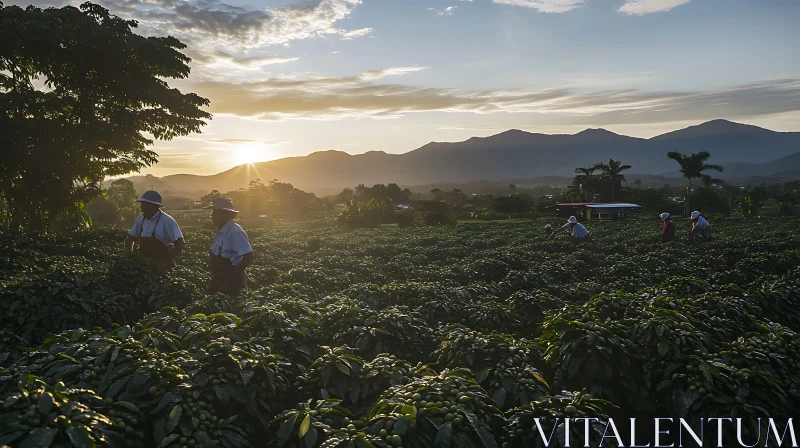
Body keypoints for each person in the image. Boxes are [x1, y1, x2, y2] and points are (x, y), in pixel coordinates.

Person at [124, 190, 184, 273]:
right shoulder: (140, 219)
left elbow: (180, 244)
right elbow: (130, 238)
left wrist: (165, 260)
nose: (141, 206)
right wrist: (130, 254)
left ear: (153, 205)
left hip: (163, 265)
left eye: (144, 203)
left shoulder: (167, 221)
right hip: (144, 263)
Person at [205, 196, 254, 295]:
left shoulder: (235, 231)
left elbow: (248, 256)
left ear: (227, 214)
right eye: (212, 212)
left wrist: (231, 279)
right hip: (219, 278)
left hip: (232, 282)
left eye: (216, 213)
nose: (212, 216)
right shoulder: (219, 229)